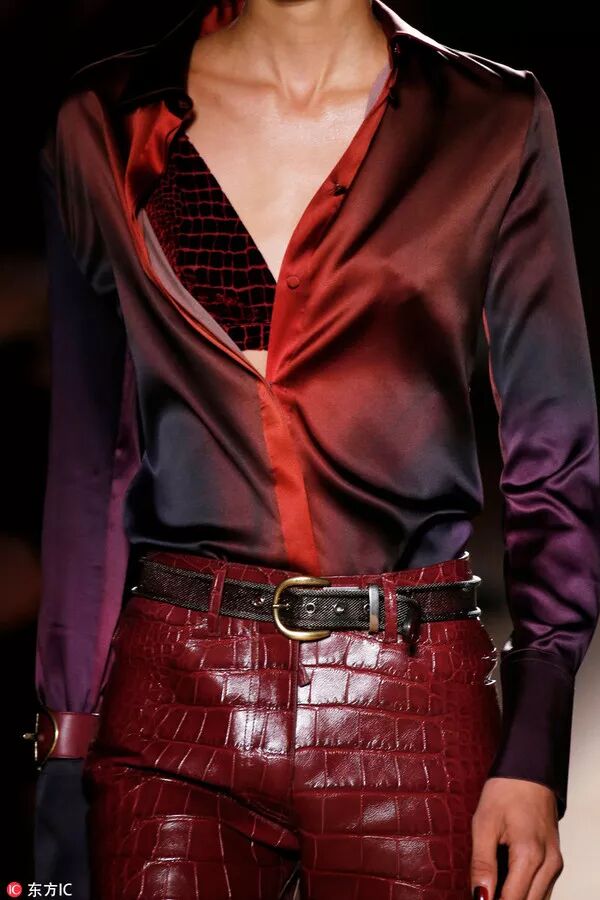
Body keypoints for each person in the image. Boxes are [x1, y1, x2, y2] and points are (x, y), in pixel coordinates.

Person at [30, 0, 600, 897]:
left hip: (412, 704)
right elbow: (90, 454)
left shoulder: (491, 120)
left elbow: (554, 454)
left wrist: (534, 743)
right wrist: (66, 736)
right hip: (174, 706)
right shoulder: (105, 124)